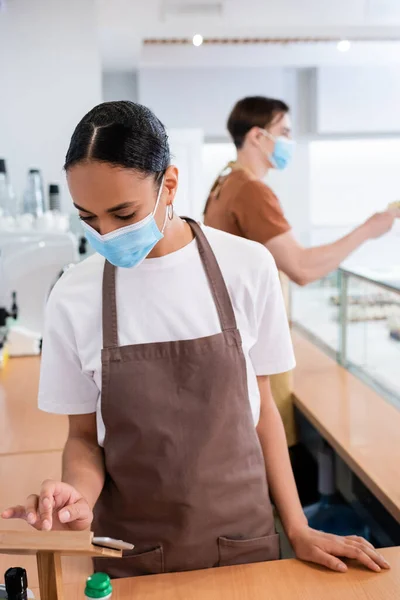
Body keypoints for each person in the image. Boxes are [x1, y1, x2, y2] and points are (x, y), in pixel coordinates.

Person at [2, 101, 389, 578]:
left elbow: (263, 411)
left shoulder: (247, 267)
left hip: (245, 542)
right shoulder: (73, 296)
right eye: (88, 218)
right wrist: (76, 496)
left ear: (169, 184)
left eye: (123, 213)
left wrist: (297, 526)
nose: (106, 233)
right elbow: (82, 438)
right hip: (132, 554)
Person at [203, 96, 400, 496]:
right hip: (254, 349)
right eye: (286, 132)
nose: (291, 141)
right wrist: (369, 228)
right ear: (258, 136)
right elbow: (304, 268)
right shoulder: (251, 190)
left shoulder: (224, 180)